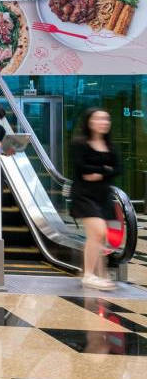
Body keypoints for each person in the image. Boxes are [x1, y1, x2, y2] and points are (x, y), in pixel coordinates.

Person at [71, 107, 119, 291]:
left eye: (106, 119)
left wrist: (98, 172)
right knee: (98, 232)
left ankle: (95, 273)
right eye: (99, 119)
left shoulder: (111, 146)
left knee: (97, 236)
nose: (104, 122)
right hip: (83, 195)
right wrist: (105, 169)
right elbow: (81, 168)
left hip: (103, 195)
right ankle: (89, 275)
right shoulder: (80, 143)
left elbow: (117, 169)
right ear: (89, 122)